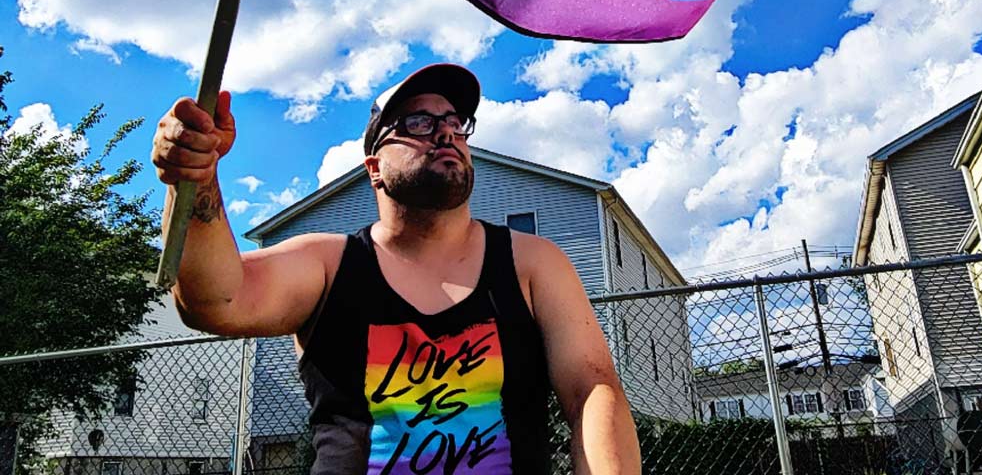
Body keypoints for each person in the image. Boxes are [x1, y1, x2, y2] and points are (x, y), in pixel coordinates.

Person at [153, 62, 641, 475]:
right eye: (418, 124)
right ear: (374, 169)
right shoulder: (329, 264)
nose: (446, 132)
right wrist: (193, 180)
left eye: (454, 122)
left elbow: (591, 388)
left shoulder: (533, 263)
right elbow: (215, 301)